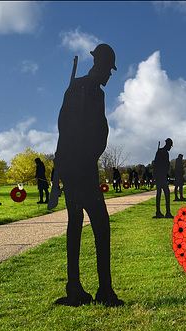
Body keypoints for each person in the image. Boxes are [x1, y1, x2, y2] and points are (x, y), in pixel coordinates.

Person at [52, 43, 124, 307]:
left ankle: (84, 289)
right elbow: (67, 130)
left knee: (81, 224)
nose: (110, 75)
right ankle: (92, 290)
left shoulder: (93, 92)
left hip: (81, 165)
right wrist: (61, 172)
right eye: (109, 70)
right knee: (95, 225)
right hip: (78, 168)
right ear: (101, 66)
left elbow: (95, 130)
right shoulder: (81, 89)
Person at [152, 138, 173, 218]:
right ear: (167, 144)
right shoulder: (163, 152)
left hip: (161, 175)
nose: (170, 148)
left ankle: (161, 212)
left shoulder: (161, 151)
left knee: (160, 194)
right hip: (161, 175)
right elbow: (158, 164)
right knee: (165, 193)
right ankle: (164, 212)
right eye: (170, 146)